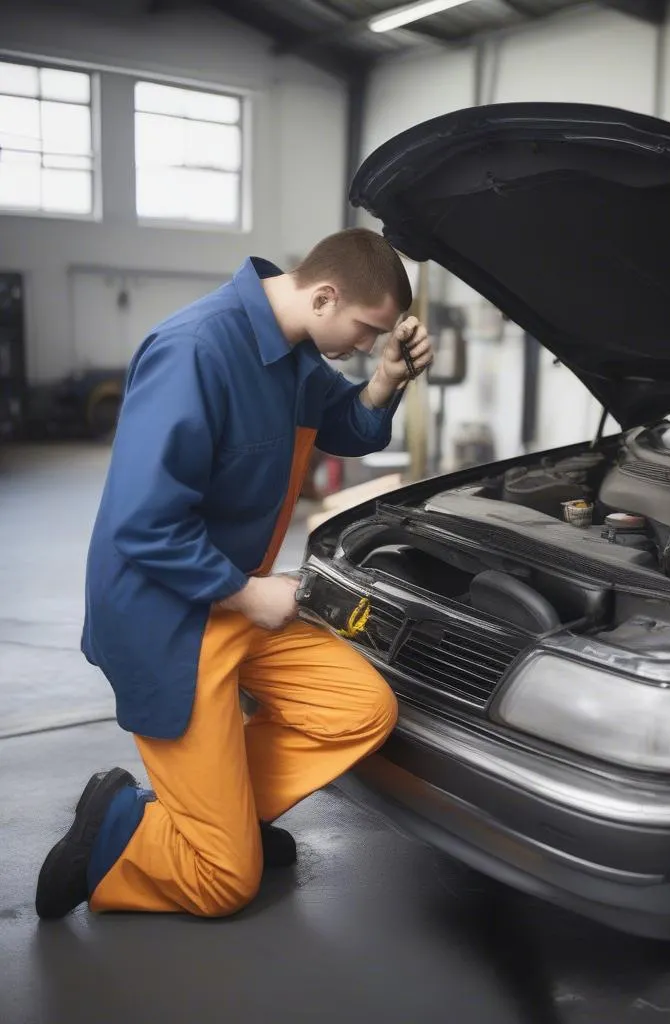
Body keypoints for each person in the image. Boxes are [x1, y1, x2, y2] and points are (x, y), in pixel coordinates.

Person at [35, 229, 432, 920]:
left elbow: (348, 423)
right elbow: (141, 522)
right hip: (168, 616)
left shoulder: (294, 354)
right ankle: (125, 830)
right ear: (325, 294)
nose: (367, 344)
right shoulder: (195, 351)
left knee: (361, 710)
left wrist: (387, 379)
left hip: (236, 600)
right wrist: (247, 592)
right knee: (225, 884)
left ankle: (221, 819)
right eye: (367, 330)